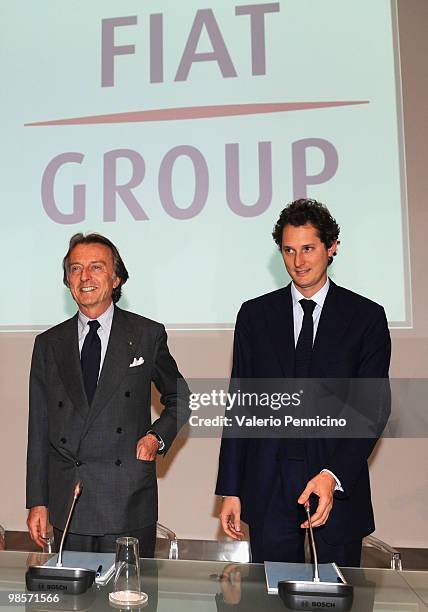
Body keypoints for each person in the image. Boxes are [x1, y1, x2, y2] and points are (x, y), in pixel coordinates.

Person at [215, 199, 391, 566]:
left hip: (336, 488)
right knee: (269, 600)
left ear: (332, 247)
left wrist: (333, 475)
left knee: (340, 599)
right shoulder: (254, 315)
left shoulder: (367, 318)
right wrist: (231, 489)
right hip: (268, 487)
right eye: (289, 250)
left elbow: (371, 409)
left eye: (308, 248)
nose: (298, 261)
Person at [26, 233, 190, 555]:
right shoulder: (48, 344)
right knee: (71, 603)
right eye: (75, 269)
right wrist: (37, 501)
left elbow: (180, 398)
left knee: (128, 601)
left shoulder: (146, 335)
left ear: (116, 278)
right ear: (67, 280)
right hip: (68, 503)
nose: (85, 277)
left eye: (96, 267)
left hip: (127, 500)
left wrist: (156, 438)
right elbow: (39, 428)